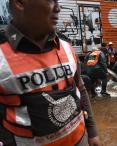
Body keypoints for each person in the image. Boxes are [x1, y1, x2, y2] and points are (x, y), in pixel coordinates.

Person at [0, 0, 101, 146]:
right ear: (20, 3)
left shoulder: (66, 47)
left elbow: (81, 89)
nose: (58, 8)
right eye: (50, 0)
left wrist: (92, 132)